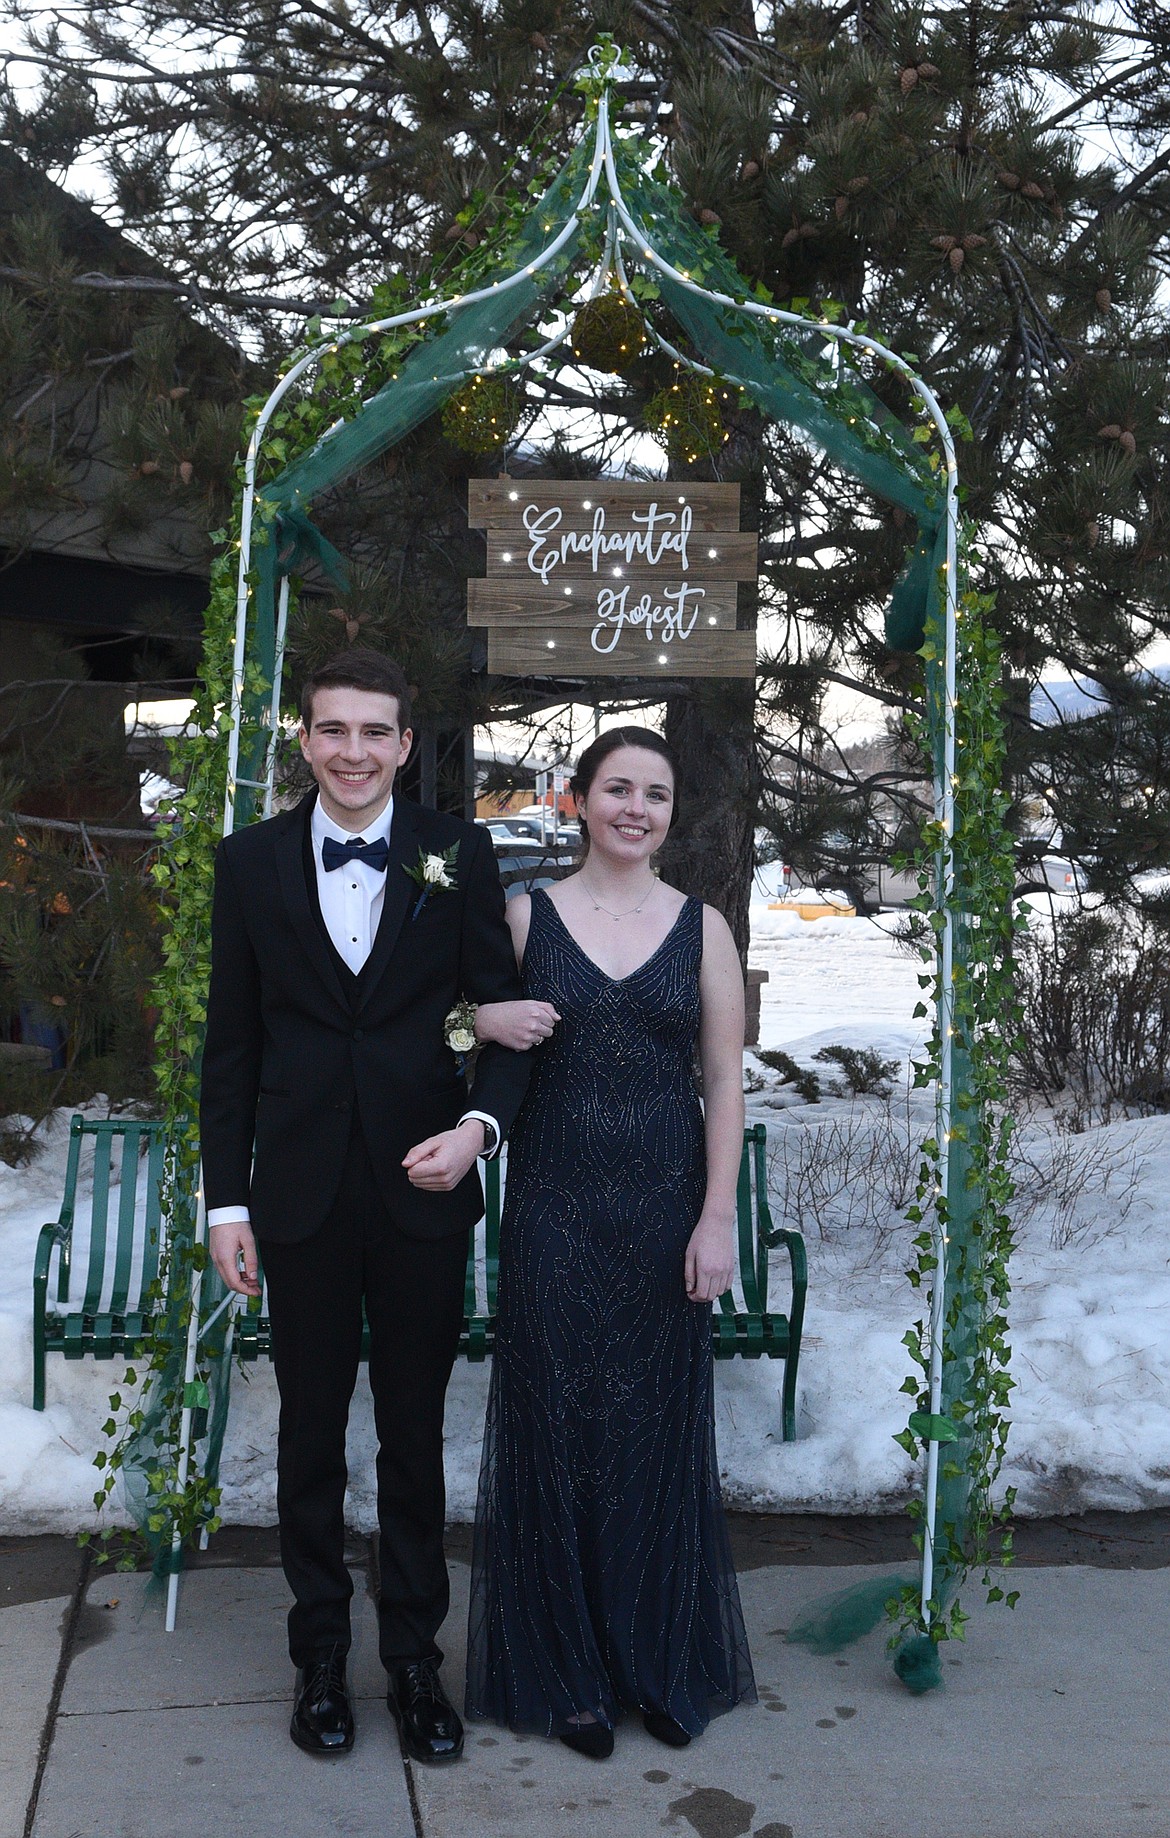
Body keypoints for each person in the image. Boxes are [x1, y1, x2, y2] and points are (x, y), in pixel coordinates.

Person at [200, 648, 532, 1763]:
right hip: (295, 1194)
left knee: (411, 1432)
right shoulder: (247, 864)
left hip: (423, 1187)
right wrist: (224, 1204)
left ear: (403, 743)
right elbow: (231, 1049)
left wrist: (478, 1130)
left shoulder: (457, 851)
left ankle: (412, 1665)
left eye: (373, 732)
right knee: (307, 1433)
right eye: (331, 729)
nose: (352, 751)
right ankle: (317, 1662)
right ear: (304, 738)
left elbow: (492, 1009)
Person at [465, 726, 756, 1757]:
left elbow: (724, 1081)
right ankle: (569, 1675)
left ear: (672, 812)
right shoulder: (525, 914)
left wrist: (716, 1215)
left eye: (657, 793)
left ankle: (660, 1659)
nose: (637, 807)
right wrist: (477, 1018)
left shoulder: (703, 927)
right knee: (557, 1436)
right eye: (618, 788)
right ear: (579, 797)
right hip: (553, 1210)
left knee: (652, 1440)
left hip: (666, 1220)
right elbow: (463, 1032)